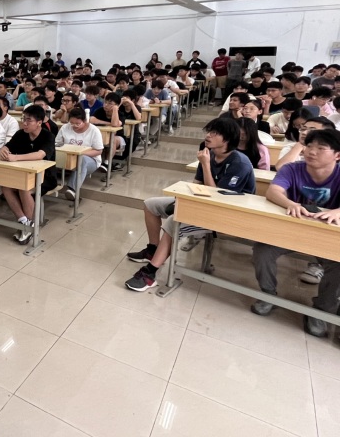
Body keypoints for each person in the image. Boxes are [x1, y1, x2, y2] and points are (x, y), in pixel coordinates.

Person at [125, 117, 255, 291]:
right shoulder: (208, 154)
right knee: (150, 205)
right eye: (208, 132)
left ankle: (150, 273)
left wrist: (205, 165)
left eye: (214, 133)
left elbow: (218, 198)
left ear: (227, 139)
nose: (208, 136)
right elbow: (197, 185)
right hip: (204, 204)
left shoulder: (239, 163)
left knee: (173, 221)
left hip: (226, 214)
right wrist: (183, 200)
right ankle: (153, 250)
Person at [251, 129, 340, 337]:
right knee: (262, 251)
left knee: (338, 266)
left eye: (321, 148)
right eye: (309, 146)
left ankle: (321, 311)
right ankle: (269, 294)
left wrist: (337, 211)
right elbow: (273, 191)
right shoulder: (293, 169)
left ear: (337, 155)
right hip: (293, 231)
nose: (312, 151)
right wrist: (290, 204)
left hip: (327, 237)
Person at [0, 105, 57, 245]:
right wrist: (3, 150)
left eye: (28, 120)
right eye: (23, 119)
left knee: (24, 187)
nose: (24, 123)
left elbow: (40, 155)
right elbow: (8, 146)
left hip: (45, 177)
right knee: (5, 186)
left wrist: (16, 158)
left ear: (39, 122)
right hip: (24, 174)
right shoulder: (21, 134)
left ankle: (29, 227)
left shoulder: (48, 136)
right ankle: (25, 222)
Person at [55, 107, 103, 201]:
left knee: (82, 159)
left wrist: (80, 154)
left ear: (84, 121)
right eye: (72, 123)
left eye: (78, 123)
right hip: (69, 158)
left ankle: (72, 189)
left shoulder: (94, 130)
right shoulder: (65, 127)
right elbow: (57, 143)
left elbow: (98, 151)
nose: (74, 126)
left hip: (90, 160)